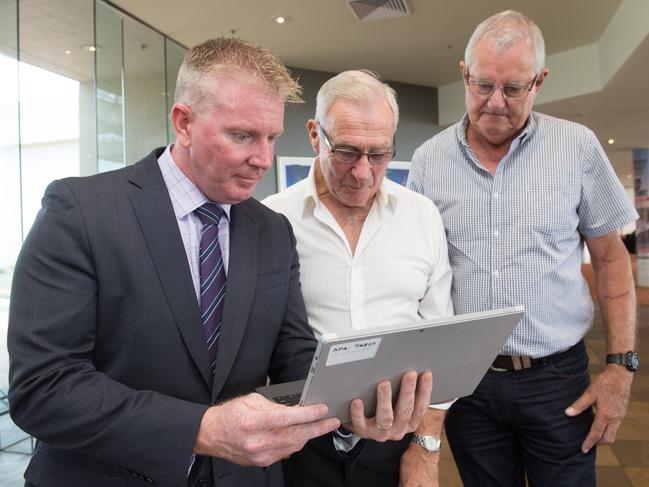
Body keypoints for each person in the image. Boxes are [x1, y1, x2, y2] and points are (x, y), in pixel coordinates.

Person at [8, 38, 432, 487]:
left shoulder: (272, 230)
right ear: (184, 123)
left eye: (270, 136)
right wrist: (201, 431)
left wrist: (349, 410)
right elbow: (44, 387)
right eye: (242, 135)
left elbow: (294, 357)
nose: (263, 159)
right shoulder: (81, 211)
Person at [408, 10, 639, 486]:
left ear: (540, 82)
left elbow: (612, 259)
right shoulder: (430, 161)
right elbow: (416, 271)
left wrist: (621, 367)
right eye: (482, 86)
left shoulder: (576, 147)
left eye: (513, 89)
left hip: (557, 380)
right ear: (463, 75)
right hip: (467, 381)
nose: (495, 103)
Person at [264, 70, 454, 487]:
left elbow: (439, 339)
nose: (364, 173)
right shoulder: (272, 218)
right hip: (300, 437)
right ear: (315, 135)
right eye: (347, 152)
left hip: (399, 433)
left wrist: (426, 447)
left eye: (380, 153)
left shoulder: (421, 216)